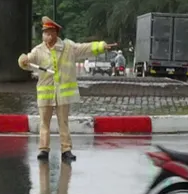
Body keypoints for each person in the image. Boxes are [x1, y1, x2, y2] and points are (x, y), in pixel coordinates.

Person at [18, 17, 115, 163]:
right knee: (44, 123)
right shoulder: (38, 50)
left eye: (49, 32)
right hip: (45, 95)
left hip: (62, 94)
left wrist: (101, 46)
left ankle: (66, 150)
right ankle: (43, 149)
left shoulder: (68, 47)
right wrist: (23, 60)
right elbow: (27, 61)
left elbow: (84, 48)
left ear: (56, 33)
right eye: (44, 32)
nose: (46, 35)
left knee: (64, 123)